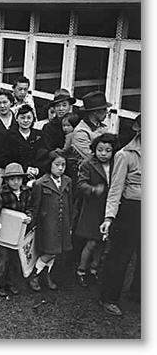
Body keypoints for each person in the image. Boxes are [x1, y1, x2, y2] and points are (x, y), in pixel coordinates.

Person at [99, 115, 141, 316]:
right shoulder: (125, 154)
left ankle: (138, 294)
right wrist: (109, 217)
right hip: (130, 210)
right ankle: (109, 298)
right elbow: (115, 189)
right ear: (138, 129)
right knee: (119, 256)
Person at [75, 133, 117, 288]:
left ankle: (94, 269)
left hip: (109, 208)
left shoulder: (116, 163)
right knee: (91, 241)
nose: (103, 154)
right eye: (100, 150)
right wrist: (93, 189)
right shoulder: (88, 164)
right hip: (93, 208)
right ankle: (81, 270)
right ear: (94, 149)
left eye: (108, 150)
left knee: (102, 242)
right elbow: (80, 184)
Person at [28, 150, 73, 292]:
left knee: (57, 252)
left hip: (62, 223)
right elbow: (35, 207)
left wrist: (70, 223)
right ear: (50, 165)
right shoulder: (41, 183)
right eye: (57, 165)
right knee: (50, 251)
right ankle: (34, 274)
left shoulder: (68, 181)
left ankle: (45, 275)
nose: (60, 168)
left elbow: (70, 204)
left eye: (63, 165)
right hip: (47, 225)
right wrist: (31, 226)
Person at [0, 162, 32, 297]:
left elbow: (30, 207)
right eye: (12, 179)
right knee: (3, 259)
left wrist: (29, 216)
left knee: (16, 259)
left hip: (18, 233)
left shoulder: (26, 192)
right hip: (4, 232)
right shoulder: (0, 194)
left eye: (18, 179)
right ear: (6, 180)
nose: (16, 182)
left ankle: (11, 283)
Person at [0, 104, 44, 178]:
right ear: (16, 119)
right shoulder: (9, 136)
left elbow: (44, 154)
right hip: (16, 174)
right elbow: (5, 158)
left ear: (33, 119)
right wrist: (25, 168)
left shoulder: (39, 134)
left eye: (29, 117)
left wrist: (38, 169)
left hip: (37, 173)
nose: (26, 120)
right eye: (22, 118)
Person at [71, 91, 111, 162]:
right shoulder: (80, 133)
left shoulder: (103, 128)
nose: (107, 112)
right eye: (104, 109)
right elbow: (92, 157)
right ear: (95, 112)